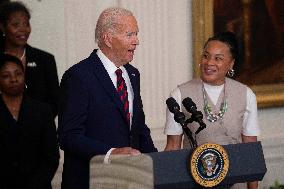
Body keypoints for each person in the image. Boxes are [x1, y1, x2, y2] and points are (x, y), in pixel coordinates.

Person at [58, 7, 157, 189]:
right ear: (108, 39)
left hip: (132, 180)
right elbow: (68, 136)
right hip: (91, 180)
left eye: (136, 34)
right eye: (130, 34)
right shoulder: (78, 76)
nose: (137, 41)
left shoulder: (132, 74)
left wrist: (157, 165)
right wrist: (111, 153)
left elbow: (139, 128)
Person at [164, 32, 260, 189]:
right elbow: (172, 147)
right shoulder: (180, 94)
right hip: (192, 183)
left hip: (235, 183)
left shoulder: (245, 94)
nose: (209, 63)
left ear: (231, 64)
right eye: (206, 56)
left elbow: (250, 151)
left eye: (218, 58)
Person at [0, 54, 59, 189]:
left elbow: (51, 157)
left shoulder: (42, 111)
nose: (14, 79)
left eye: (18, 74)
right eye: (6, 76)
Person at [0, 1, 59, 117]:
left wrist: (38, 123)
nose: (23, 29)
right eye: (16, 25)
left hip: (37, 131)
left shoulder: (45, 60)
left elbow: (55, 101)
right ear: (2, 27)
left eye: (26, 24)